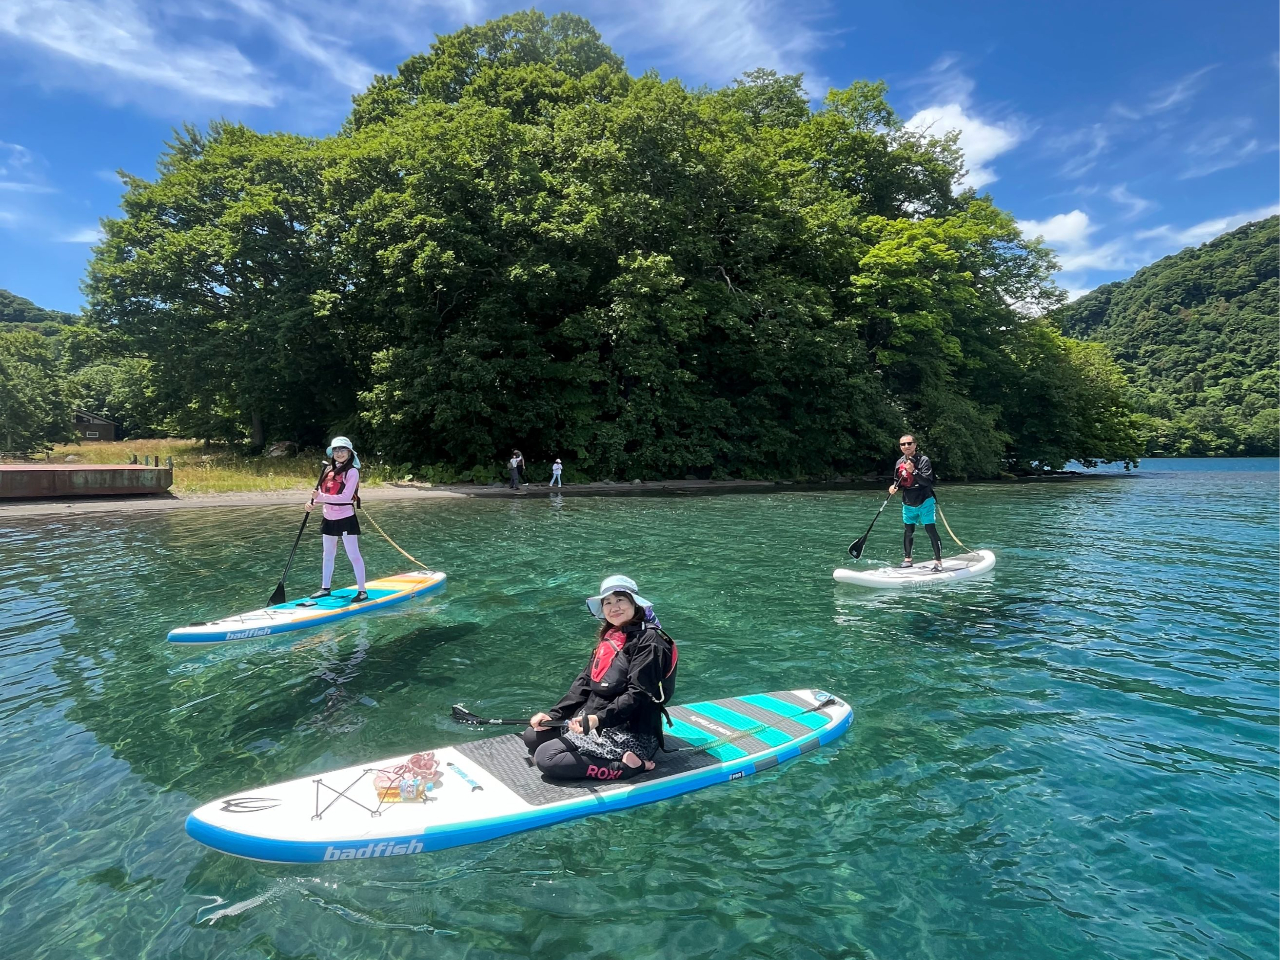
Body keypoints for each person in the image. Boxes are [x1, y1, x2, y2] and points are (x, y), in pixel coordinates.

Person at [522, 576, 678, 781]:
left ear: (635, 604)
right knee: (532, 736)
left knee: (546, 758)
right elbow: (584, 682)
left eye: (620, 599)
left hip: (632, 731)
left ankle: (629, 766)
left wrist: (599, 719)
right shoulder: (612, 636)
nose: (614, 607)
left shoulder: (651, 641)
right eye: (608, 602)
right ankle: (589, 747)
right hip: (595, 719)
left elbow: (638, 693)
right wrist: (554, 714)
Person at [305, 436, 368, 602]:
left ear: (349, 452)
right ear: (332, 453)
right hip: (328, 517)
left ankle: (362, 591)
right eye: (336, 450)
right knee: (328, 554)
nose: (339, 453)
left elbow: (346, 497)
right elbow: (319, 495)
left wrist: (321, 496)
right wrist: (311, 503)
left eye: (342, 450)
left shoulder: (352, 472)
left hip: (345, 517)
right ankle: (325, 588)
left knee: (353, 555)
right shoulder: (328, 471)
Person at [889, 434, 942, 572]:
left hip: (925, 500)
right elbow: (898, 481)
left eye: (909, 443)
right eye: (903, 444)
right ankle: (907, 560)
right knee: (908, 531)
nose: (906, 446)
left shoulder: (923, 460)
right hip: (908, 502)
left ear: (915, 445)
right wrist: (893, 487)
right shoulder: (899, 462)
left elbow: (927, 481)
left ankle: (938, 562)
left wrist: (914, 471)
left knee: (930, 530)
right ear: (900, 447)